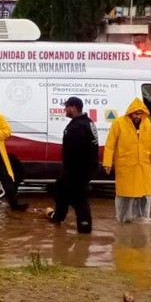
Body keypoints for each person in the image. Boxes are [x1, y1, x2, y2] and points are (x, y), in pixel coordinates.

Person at [102, 97, 151, 223]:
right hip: (126, 166)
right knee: (125, 194)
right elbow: (110, 144)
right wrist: (107, 163)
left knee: (144, 194)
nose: (138, 116)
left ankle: (143, 219)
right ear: (130, 113)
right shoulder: (118, 123)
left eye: (140, 114)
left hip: (143, 166)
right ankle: (122, 220)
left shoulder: (147, 124)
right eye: (136, 113)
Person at [50, 96, 97, 234]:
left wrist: (73, 172)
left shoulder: (79, 126)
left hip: (78, 169)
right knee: (60, 189)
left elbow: (77, 151)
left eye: (66, 107)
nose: (64, 110)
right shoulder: (86, 122)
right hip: (76, 168)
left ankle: (84, 228)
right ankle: (58, 217)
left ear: (73, 107)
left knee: (79, 198)